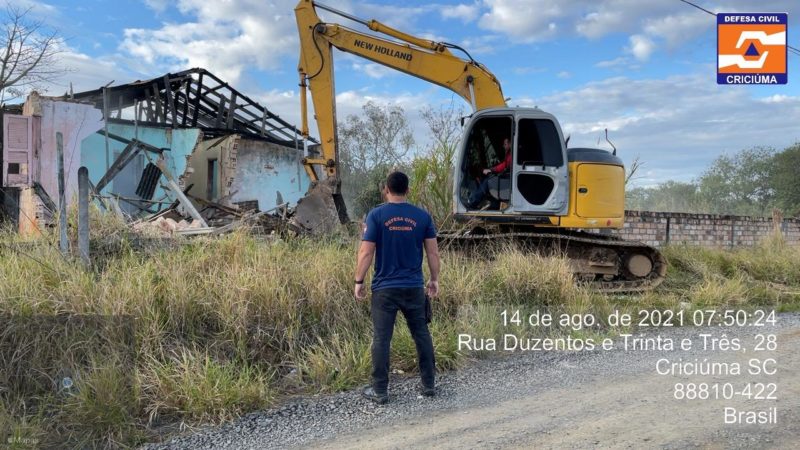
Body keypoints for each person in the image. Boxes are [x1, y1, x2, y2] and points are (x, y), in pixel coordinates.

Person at [355, 171, 440, 405]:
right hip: (414, 287)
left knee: (382, 339)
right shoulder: (422, 217)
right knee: (421, 334)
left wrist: (359, 281)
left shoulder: (376, 215)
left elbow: (366, 251)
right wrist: (434, 279)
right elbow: (432, 252)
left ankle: (380, 390)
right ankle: (429, 385)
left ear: (386, 190)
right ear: (408, 190)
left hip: (384, 289)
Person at [467, 137, 513, 209]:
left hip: (506, 179)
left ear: (510, 144)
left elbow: (504, 165)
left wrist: (491, 170)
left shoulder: (511, 154)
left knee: (487, 181)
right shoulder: (509, 154)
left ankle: (473, 202)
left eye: (505, 144)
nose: (504, 146)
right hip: (506, 177)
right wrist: (492, 169)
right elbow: (504, 164)